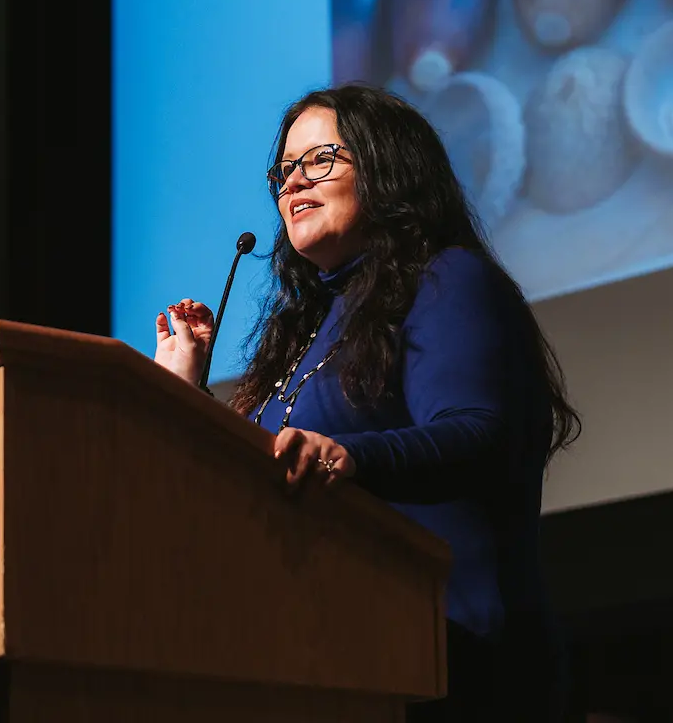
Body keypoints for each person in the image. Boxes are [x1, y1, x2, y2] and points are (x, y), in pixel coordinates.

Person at [153, 84, 580, 721]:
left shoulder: (446, 278)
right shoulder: (306, 331)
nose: (292, 185)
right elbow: (250, 484)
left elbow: (481, 432)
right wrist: (184, 387)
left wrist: (347, 459)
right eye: (284, 170)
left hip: (448, 663)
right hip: (316, 661)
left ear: (386, 166)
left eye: (320, 160)